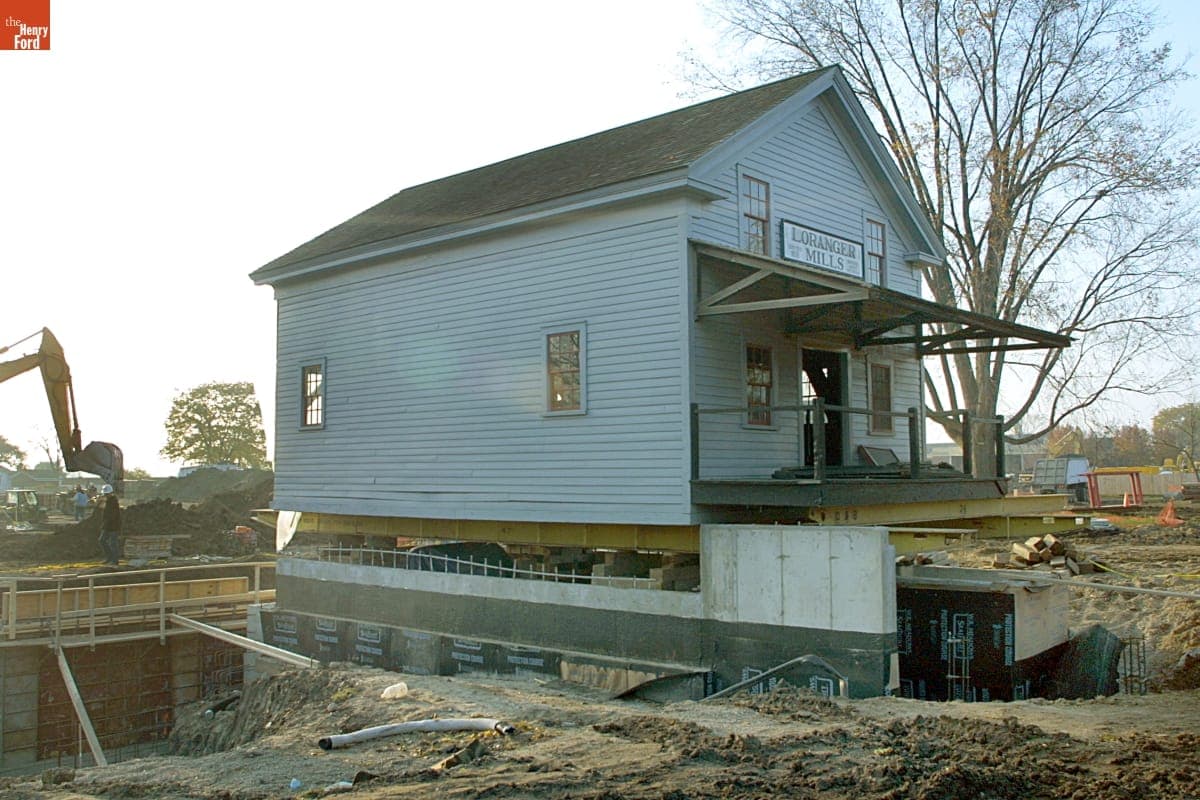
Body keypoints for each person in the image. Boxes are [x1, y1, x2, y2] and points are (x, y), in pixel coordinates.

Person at [98, 484, 122, 566]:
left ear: (110, 493)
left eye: (106, 494)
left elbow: (113, 515)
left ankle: (115, 560)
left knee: (113, 543)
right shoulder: (108, 501)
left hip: (113, 526)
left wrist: (106, 523)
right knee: (102, 540)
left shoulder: (113, 501)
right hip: (107, 525)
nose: (105, 495)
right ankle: (109, 557)